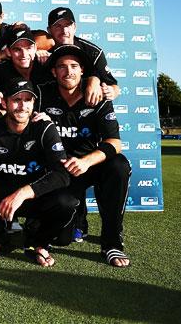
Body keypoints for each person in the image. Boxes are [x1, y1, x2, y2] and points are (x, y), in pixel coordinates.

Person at [0, 78, 76, 266]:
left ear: (34, 103)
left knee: (66, 204)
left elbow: (62, 174)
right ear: (4, 103)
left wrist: (23, 193)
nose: (22, 106)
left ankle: (37, 241)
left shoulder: (44, 127)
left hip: (32, 196)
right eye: (16, 100)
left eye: (27, 100)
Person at [38, 44, 132, 267]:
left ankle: (112, 243)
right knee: (63, 239)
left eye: (74, 66)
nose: (68, 71)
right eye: (61, 66)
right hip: (58, 171)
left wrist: (86, 161)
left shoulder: (97, 97)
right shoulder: (41, 94)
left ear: (83, 71)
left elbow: (115, 143)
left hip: (88, 164)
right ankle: (57, 227)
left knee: (118, 165)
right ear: (53, 72)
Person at [45, 7, 120, 106]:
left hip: (86, 110)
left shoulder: (93, 52)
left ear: (75, 27)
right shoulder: (43, 51)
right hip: (53, 110)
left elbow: (113, 85)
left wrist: (111, 91)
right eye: (58, 26)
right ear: (49, 30)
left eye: (68, 25)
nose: (64, 30)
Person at [0, 26, 52, 107]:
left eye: (28, 48)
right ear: (8, 51)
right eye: (17, 49)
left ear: (35, 48)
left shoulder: (47, 66)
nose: (24, 54)